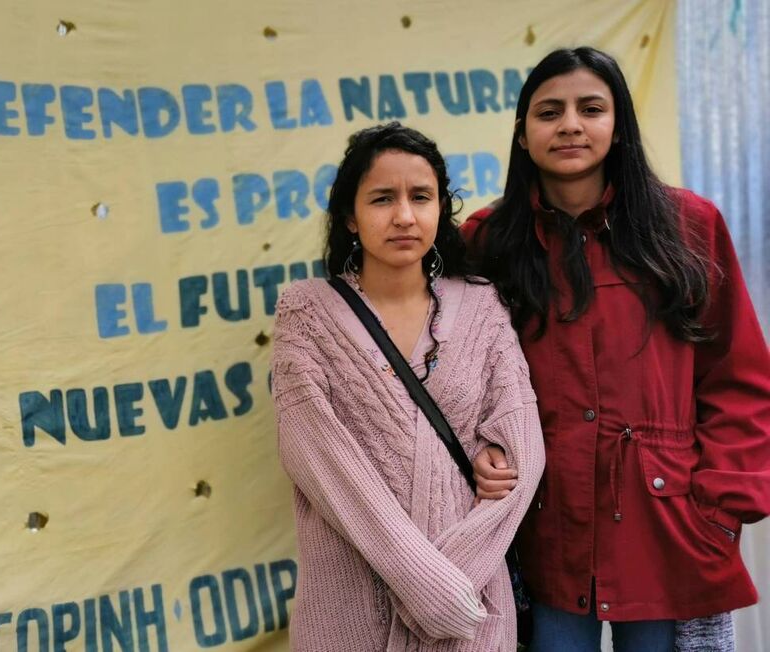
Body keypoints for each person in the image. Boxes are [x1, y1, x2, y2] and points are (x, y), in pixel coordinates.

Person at [461, 47, 770, 651]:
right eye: (549, 111)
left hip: (667, 526)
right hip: (541, 530)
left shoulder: (688, 225)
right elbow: (458, 378)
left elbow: (737, 374)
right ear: (523, 135)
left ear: (618, 125)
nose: (570, 124)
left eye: (591, 108)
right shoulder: (488, 242)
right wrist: (480, 449)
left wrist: (721, 505)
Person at [272, 122, 545, 650]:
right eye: (381, 199)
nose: (404, 215)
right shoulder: (305, 313)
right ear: (350, 216)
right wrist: (426, 584)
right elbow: (321, 461)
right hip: (351, 612)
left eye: (421, 197)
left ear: (441, 208)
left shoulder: (482, 307)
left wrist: (456, 582)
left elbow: (524, 452)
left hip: (472, 610)